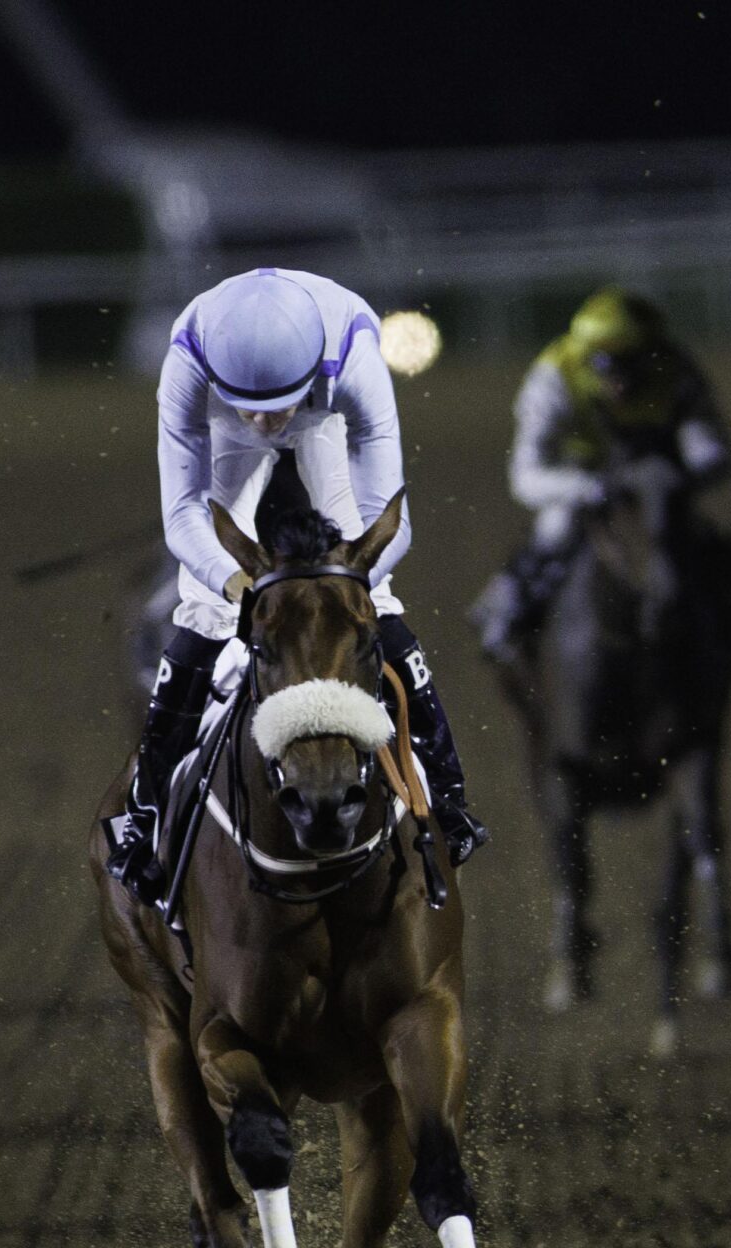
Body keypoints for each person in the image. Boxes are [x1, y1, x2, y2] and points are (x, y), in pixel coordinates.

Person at [105, 267, 486, 902]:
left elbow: (391, 521)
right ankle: (143, 816)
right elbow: (184, 517)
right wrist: (237, 587)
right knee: (198, 612)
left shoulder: (355, 356)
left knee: (378, 605)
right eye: (249, 406)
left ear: (311, 376)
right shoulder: (189, 360)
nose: (264, 423)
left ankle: (447, 797)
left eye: (275, 405)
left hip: (324, 425)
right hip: (215, 432)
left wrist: (347, 587)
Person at [476, 288, 731, 663]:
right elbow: (525, 477)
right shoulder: (554, 375)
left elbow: (711, 447)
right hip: (581, 475)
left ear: (652, 354)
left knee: (697, 540)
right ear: (586, 357)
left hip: (653, 469)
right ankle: (507, 611)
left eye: (633, 364)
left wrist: (682, 475)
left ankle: (725, 624)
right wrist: (587, 487)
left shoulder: (677, 369)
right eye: (606, 365)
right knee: (556, 527)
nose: (621, 382)